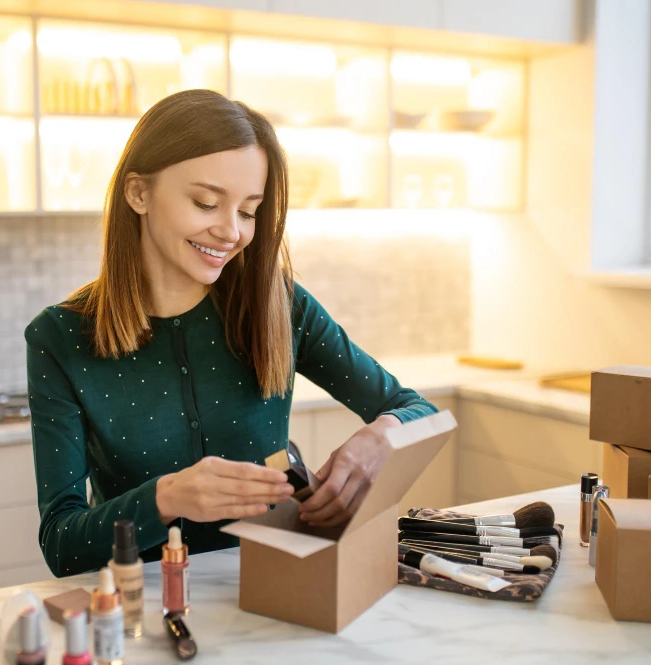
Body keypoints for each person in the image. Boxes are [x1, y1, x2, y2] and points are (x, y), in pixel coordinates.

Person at [25, 89, 436, 577]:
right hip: (145, 605)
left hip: (276, 589)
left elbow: (418, 410)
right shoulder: (60, 337)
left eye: (247, 211)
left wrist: (383, 438)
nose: (231, 232)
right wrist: (168, 497)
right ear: (138, 193)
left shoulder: (279, 305)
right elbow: (62, 544)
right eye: (206, 203)